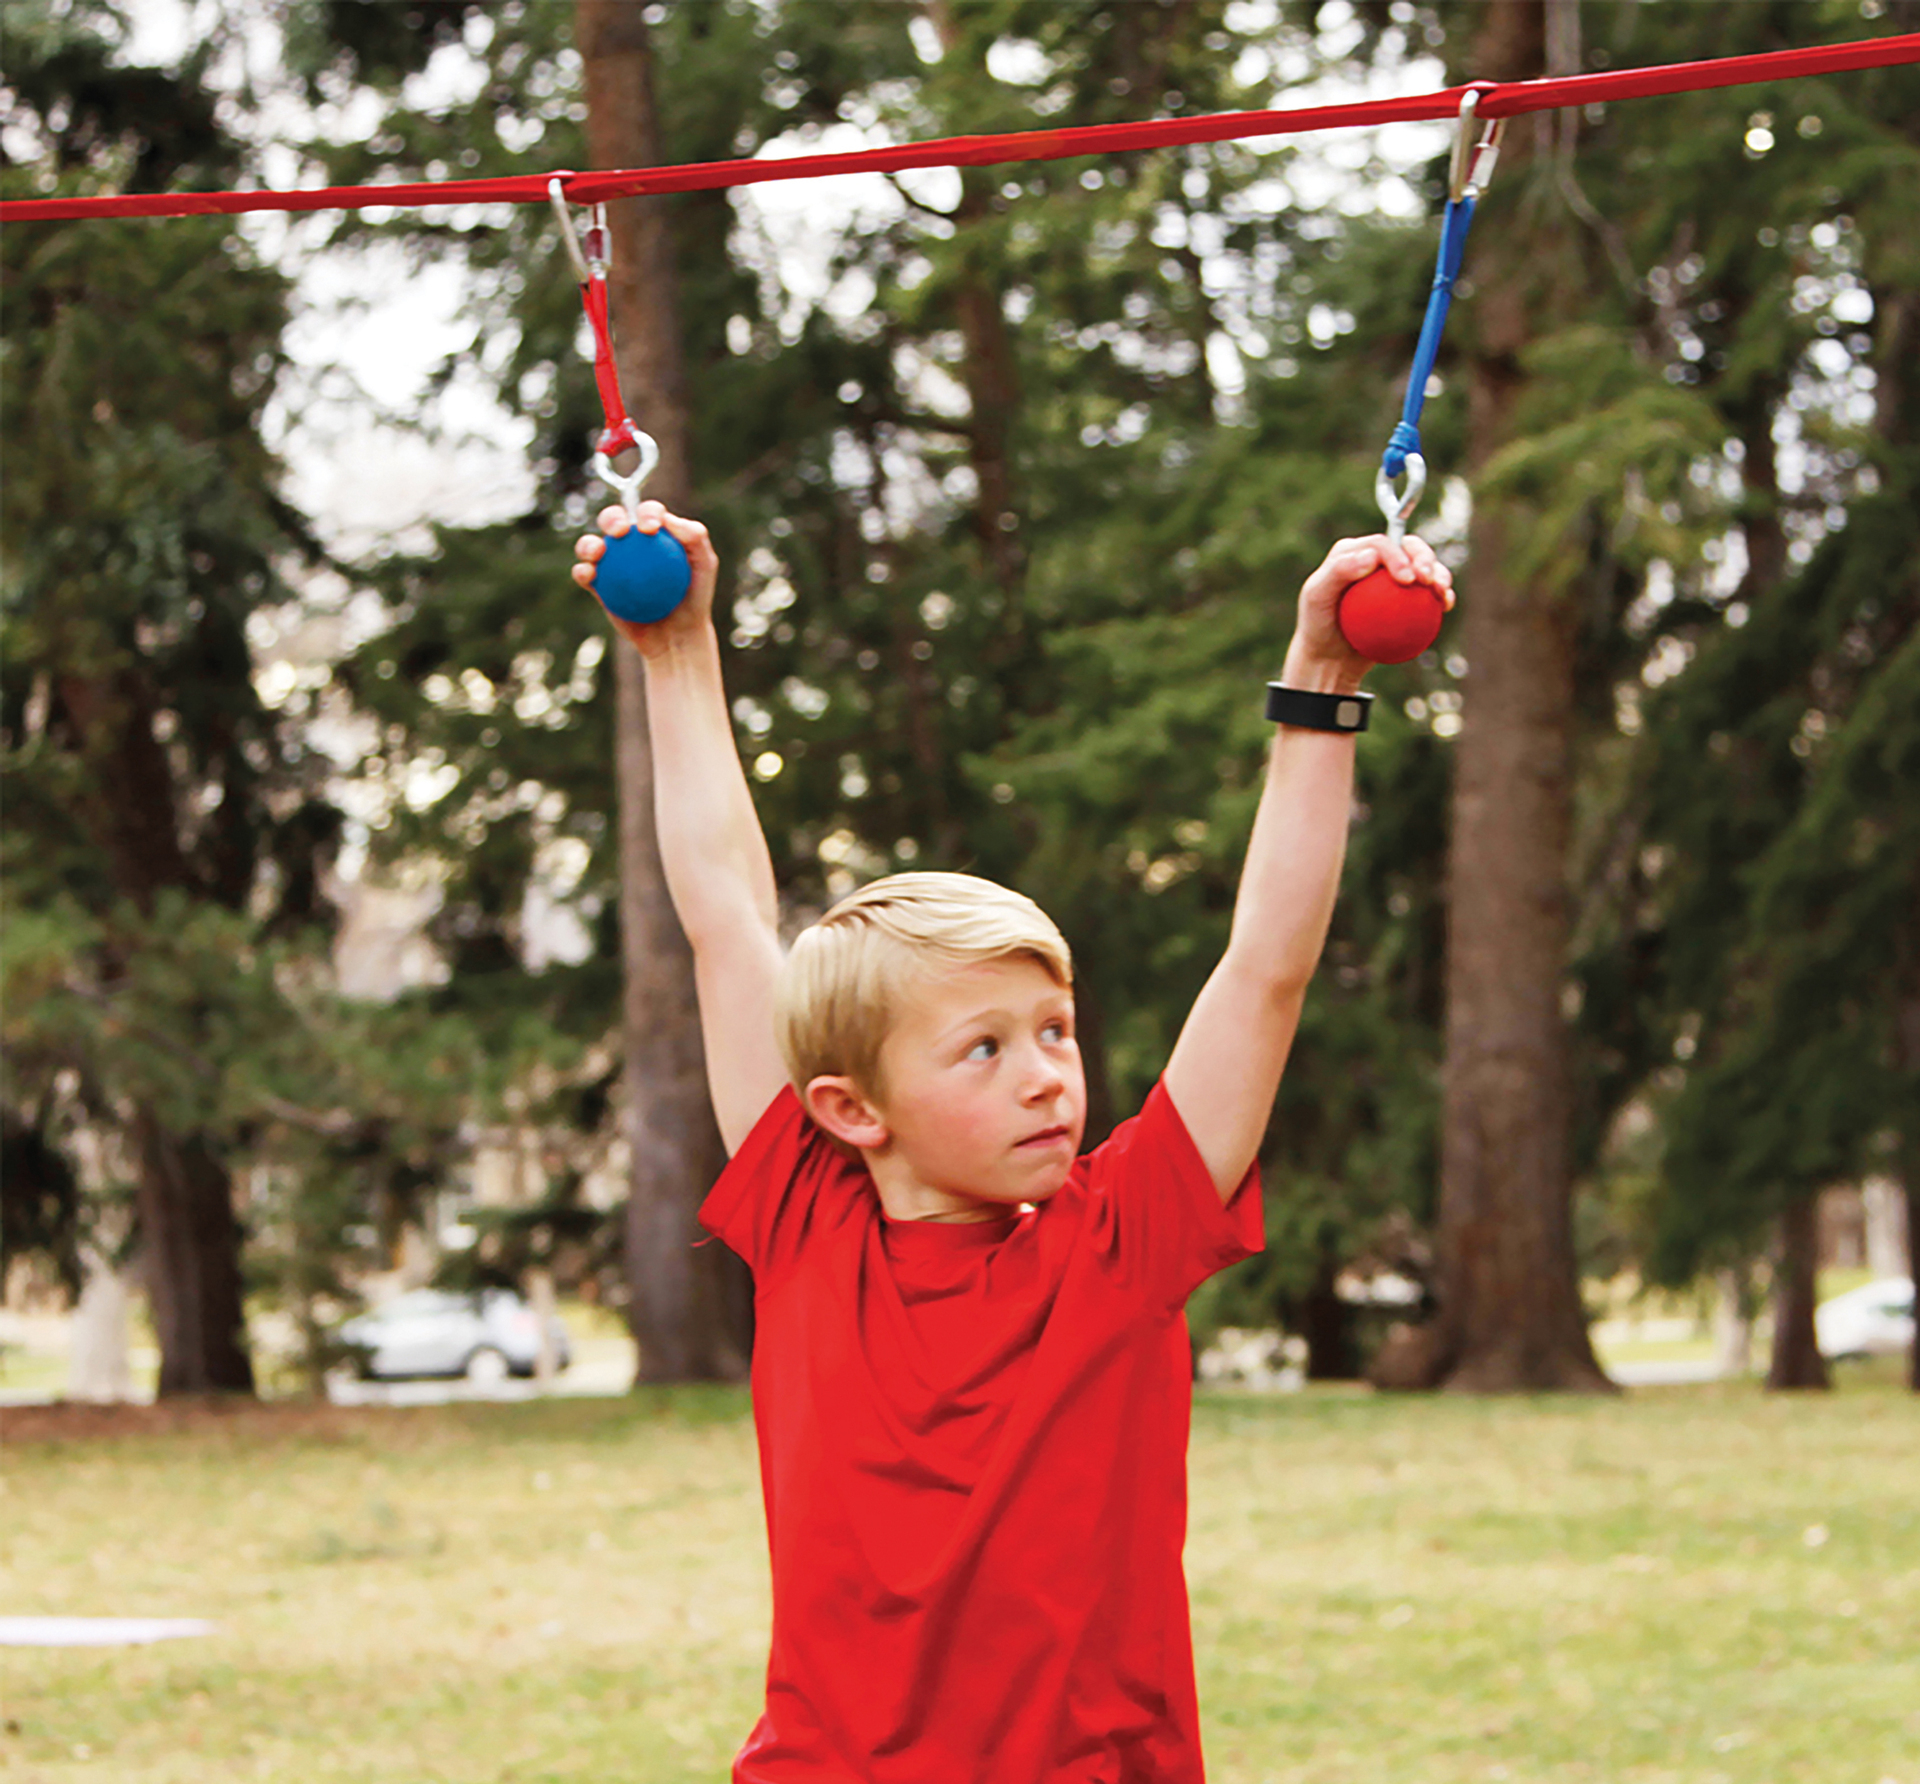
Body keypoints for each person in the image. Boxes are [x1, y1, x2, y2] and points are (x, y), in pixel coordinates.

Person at [573, 504, 1452, 1783]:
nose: (1049, 1075)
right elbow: (721, 910)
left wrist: (1322, 680)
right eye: (985, 1048)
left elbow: (1266, 966)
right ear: (849, 1109)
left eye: (1056, 1028)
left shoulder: (1122, 1238)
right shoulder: (808, 1225)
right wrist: (677, 655)